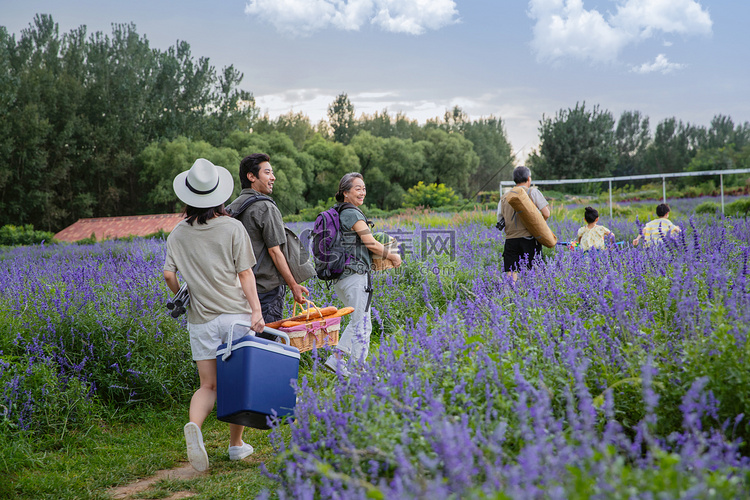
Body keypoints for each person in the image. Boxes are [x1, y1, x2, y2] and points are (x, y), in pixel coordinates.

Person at [163, 158, 265, 472]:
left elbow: (168, 275)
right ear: (219, 195)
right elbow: (246, 274)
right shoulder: (233, 227)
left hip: (201, 319)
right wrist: (257, 312)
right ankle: (236, 446)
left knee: (208, 386)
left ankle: (195, 427)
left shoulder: (177, 234)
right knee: (238, 382)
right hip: (235, 315)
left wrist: (183, 293)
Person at [325, 172, 402, 376]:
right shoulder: (352, 213)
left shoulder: (338, 212)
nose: (362, 192)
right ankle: (356, 369)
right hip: (355, 277)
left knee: (361, 320)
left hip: (342, 277)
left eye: (364, 188)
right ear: (345, 192)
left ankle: (341, 360)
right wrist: (392, 256)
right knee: (362, 323)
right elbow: (370, 243)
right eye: (357, 188)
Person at [230, 153, 309, 335]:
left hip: (239, 291)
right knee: (266, 343)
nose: (273, 177)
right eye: (267, 173)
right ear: (251, 177)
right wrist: (293, 285)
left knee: (242, 343)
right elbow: (275, 252)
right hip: (266, 292)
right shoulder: (265, 207)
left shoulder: (232, 207)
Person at [499, 166, 551, 281]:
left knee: (511, 273)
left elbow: (500, 219)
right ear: (529, 178)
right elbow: (546, 213)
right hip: (530, 239)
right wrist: (538, 226)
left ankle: (509, 297)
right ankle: (540, 296)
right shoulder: (533, 192)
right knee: (537, 272)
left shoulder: (504, 197)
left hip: (511, 240)